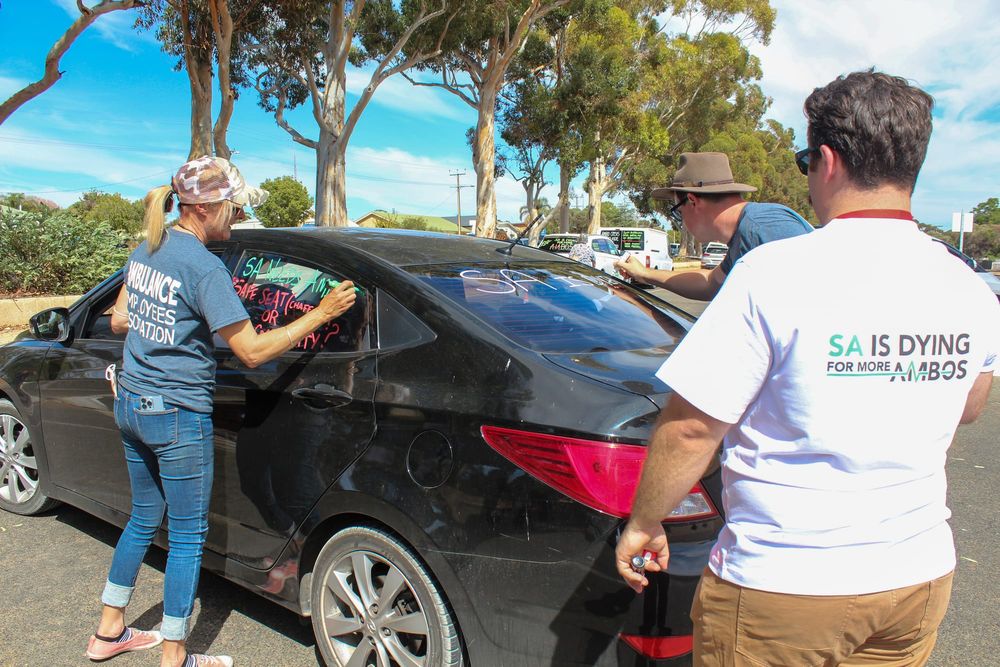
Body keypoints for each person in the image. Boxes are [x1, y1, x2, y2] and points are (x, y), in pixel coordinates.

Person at [615, 70, 999, 666]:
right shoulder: (967, 285)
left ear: (826, 160)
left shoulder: (773, 272)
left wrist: (644, 520)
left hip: (786, 583)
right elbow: (969, 405)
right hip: (916, 576)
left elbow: (693, 427)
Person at [86, 156, 357, 667]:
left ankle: (109, 631)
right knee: (188, 537)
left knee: (143, 518)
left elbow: (120, 318)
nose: (236, 218)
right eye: (233, 208)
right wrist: (320, 314)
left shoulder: (149, 246)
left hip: (132, 403)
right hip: (176, 414)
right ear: (207, 208)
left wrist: (165, 325)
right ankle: (175, 656)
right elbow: (251, 352)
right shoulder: (204, 267)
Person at [614, 152, 813, 300]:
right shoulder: (743, 237)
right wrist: (645, 274)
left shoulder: (767, 230)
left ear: (692, 201)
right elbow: (710, 283)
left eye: (678, 211)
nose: (681, 220)